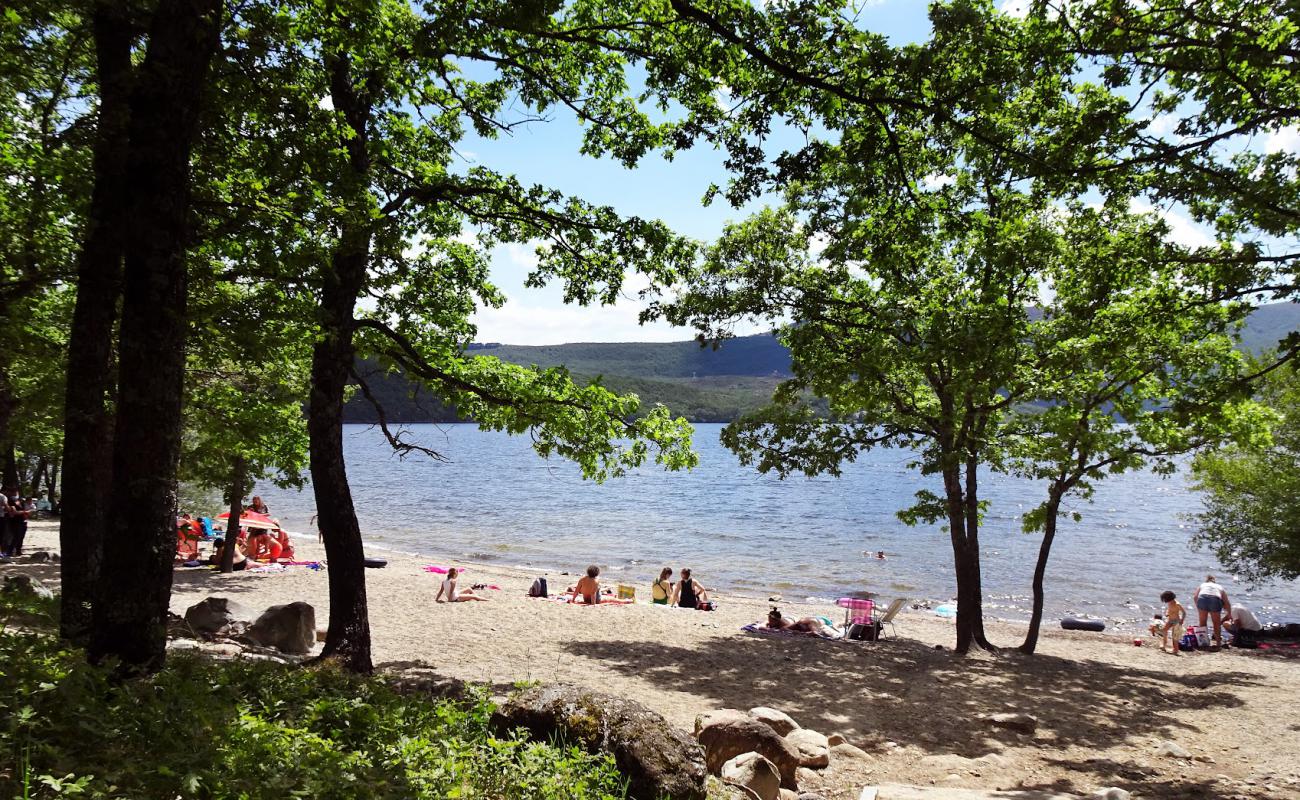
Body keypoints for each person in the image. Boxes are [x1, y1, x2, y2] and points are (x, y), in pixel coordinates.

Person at [1194, 574, 1232, 646]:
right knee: (1216, 623)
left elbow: (1195, 597)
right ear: (1214, 581)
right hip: (1215, 599)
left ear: (1206, 580)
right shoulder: (1219, 586)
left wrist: (1199, 607)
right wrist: (1229, 613)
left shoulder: (1203, 585)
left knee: (1202, 622)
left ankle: (1203, 643)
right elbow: (1226, 602)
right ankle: (1218, 643)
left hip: (1202, 598)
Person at [766, 607, 840, 637]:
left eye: (770, 620)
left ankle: (844, 622)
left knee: (836, 625)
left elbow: (815, 633)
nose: (769, 621)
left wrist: (800, 633)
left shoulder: (809, 623)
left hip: (823, 620)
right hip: (816, 619)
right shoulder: (802, 623)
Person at [1159, 590, 1186, 655]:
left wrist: (1182, 620)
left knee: (1174, 636)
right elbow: (1169, 609)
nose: (1166, 601)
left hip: (1176, 621)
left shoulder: (1177, 604)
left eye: (1166, 599)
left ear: (1170, 598)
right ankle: (1164, 644)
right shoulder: (1169, 603)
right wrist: (1167, 613)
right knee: (1164, 630)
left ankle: (1175, 650)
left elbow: (1184, 612)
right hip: (1170, 620)